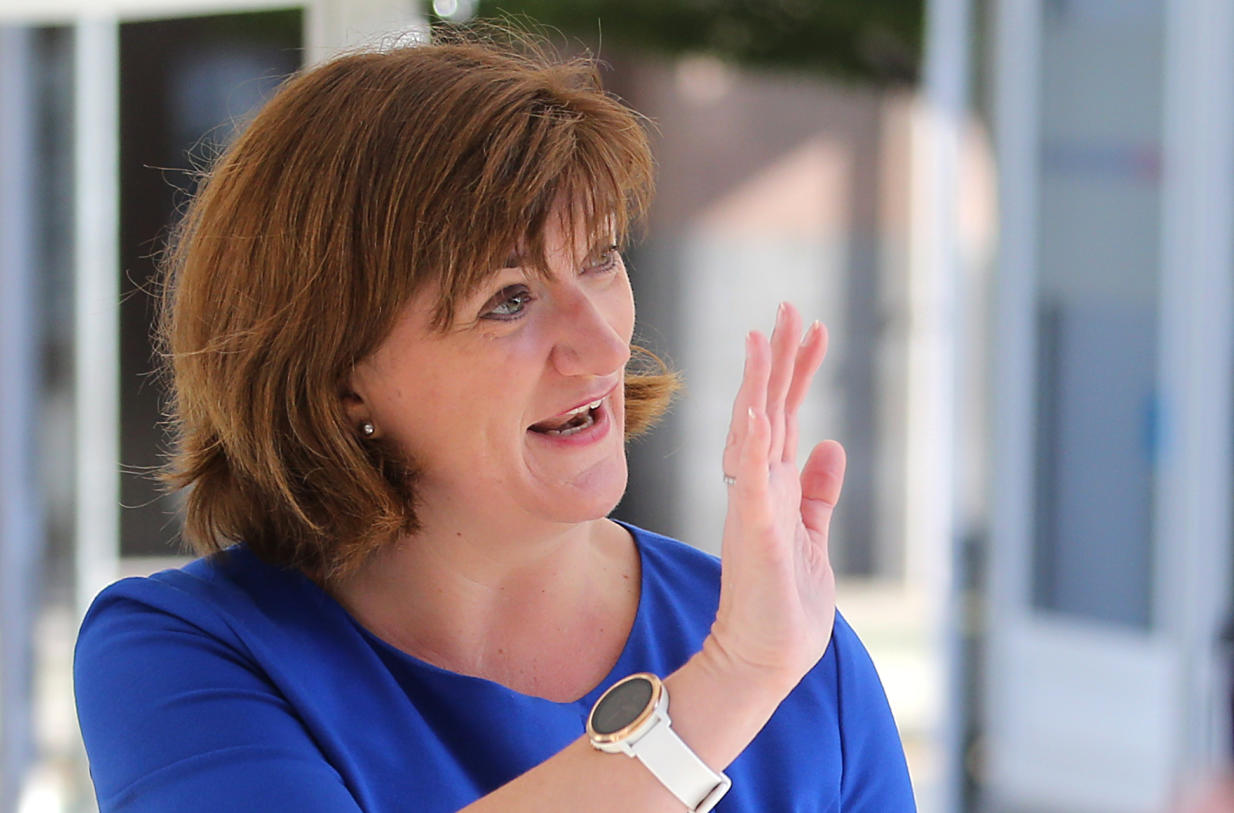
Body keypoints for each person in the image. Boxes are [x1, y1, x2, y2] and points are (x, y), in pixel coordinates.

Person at [73, 27, 916, 812]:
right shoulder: (187, 653)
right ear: (337, 379)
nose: (600, 345)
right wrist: (730, 682)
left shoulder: (804, 651)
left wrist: (760, 663)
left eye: (602, 258)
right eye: (507, 301)